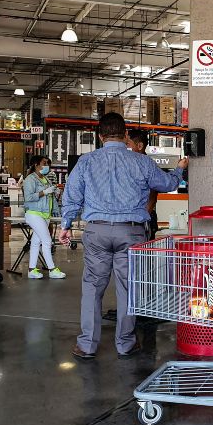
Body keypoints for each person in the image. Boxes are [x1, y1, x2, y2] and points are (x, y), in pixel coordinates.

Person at [60, 113, 189, 359]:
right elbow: (167, 184)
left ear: (100, 136)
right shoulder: (141, 162)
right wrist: (179, 170)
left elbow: (72, 195)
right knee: (129, 287)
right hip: (130, 231)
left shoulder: (86, 162)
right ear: (126, 134)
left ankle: (87, 345)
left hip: (97, 230)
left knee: (92, 287)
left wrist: (65, 224)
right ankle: (125, 343)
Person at [23, 155, 66, 280]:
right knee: (47, 240)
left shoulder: (46, 179)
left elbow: (50, 199)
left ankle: (32, 270)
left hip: (45, 215)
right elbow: (29, 198)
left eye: (48, 163)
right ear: (36, 165)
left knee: (36, 242)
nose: (47, 166)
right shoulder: (30, 179)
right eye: (44, 163)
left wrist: (55, 194)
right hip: (34, 214)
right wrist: (45, 192)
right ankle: (52, 269)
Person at [126, 129, 159, 240]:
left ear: (140, 146)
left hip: (143, 220)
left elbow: (152, 198)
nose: (125, 148)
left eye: (128, 144)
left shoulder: (148, 166)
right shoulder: (126, 164)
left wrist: (141, 220)